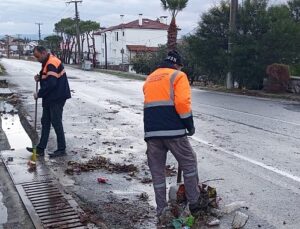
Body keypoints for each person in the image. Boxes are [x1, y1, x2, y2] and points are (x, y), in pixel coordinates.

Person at [143, 50, 207, 217]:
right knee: (189, 163)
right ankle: (194, 203)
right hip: (174, 131)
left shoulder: (150, 78)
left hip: (151, 133)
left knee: (157, 172)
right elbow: (182, 103)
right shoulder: (178, 76)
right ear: (177, 64)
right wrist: (189, 126)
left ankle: (162, 210)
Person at [26, 46, 71, 158]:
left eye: (38, 56)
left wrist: (39, 94)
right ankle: (41, 148)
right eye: (36, 57)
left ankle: (61, 149)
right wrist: (40, 77)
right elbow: (46, 75)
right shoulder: (47, 62)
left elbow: (52, 83)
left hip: (57, 96)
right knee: (45, 121)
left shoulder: (51, 63)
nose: (37, 59)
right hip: (50, 97)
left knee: (56, 121)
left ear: (44, 52)